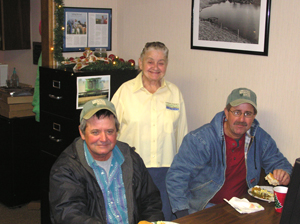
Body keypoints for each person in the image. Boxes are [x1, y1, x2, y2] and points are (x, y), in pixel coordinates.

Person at [166, 87, 293, 218]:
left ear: (254, 116)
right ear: (226, 113)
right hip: (203, 208)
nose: (242, 119)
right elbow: (176, 177)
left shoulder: (260, 138)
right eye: (237, 112)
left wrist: (284, 172)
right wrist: (184, 216)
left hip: (242, 208)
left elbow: (281, 164)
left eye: (248, 114)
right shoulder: (200, 139)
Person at [49, 98, 164, 224]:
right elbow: (68, 214)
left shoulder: (131, 159)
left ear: (117, 132)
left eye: (109, 131)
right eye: (95, 132)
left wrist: (151, 222)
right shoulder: (66, 168)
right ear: (82, 133)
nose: (103, 139)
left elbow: (151, 202)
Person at [111, 41, 188, 221]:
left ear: (166, 65)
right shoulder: (125, 92)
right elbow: (109, 132)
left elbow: (182, 136)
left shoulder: (174, 93)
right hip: (130, 172)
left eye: (161, 62)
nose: (155, 67)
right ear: (140, 63)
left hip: (166, 174)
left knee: (162, 218)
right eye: (150, 61)